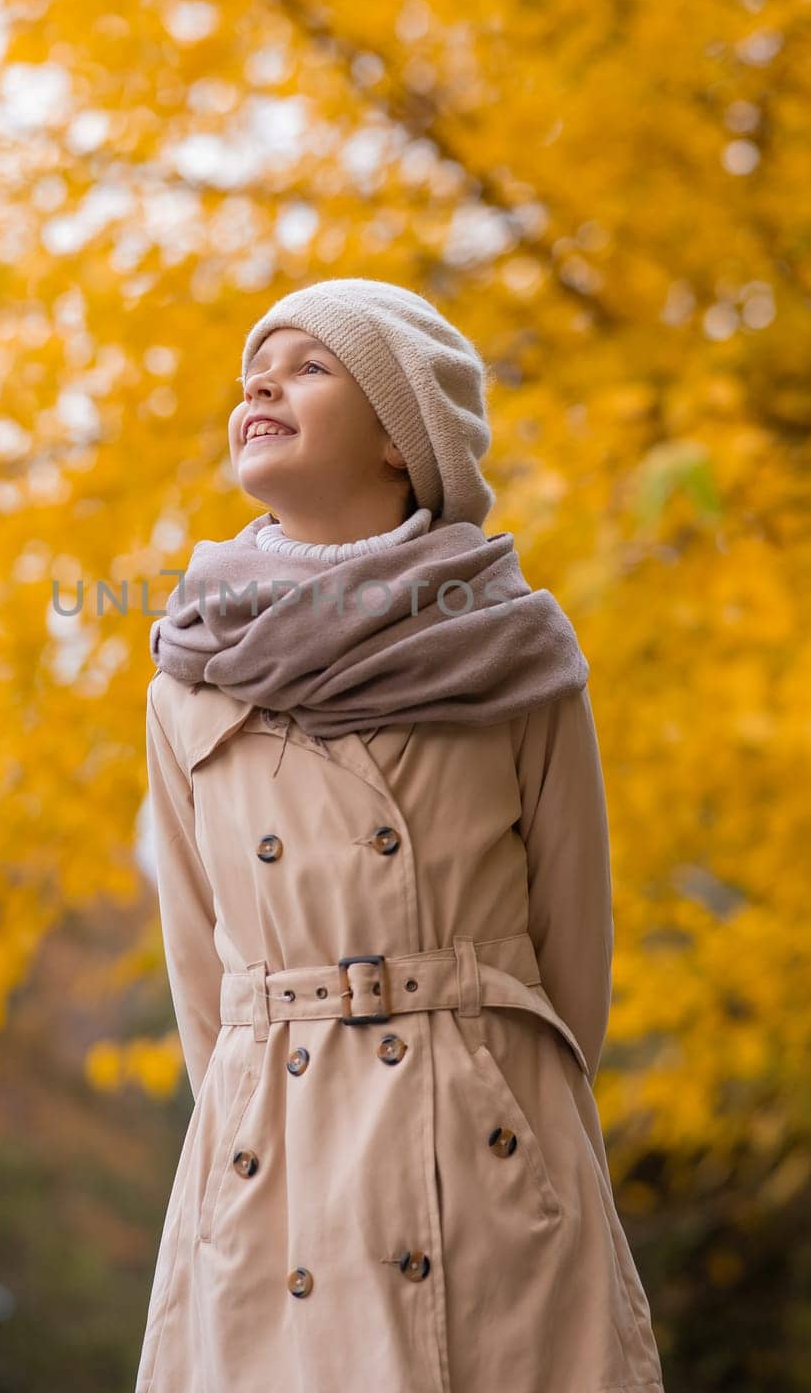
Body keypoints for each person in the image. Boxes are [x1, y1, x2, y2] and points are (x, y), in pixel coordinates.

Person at [136, 278, 666, 1393]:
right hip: (276, 1165)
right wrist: (259, 1108)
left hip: (486, 1157)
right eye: (254, 368)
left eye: (309, 366)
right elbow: (202, 970)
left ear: (398, 437)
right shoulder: (189, 671)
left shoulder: (512, 648)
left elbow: (574, 950)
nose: (259, 383)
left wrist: (485, 1094)